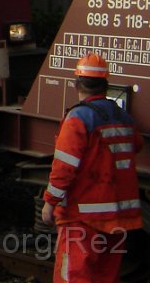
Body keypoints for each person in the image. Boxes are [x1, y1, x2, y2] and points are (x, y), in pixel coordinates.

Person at [41, 52, 143, 283]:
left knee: (74, 276)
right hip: (118, 217)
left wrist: (50, 202)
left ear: (77, 83)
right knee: (106, 276)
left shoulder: (78, 118)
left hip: (83, 216)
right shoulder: (123, 117)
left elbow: (64, 168)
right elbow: (136, 145)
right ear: (105, 85)